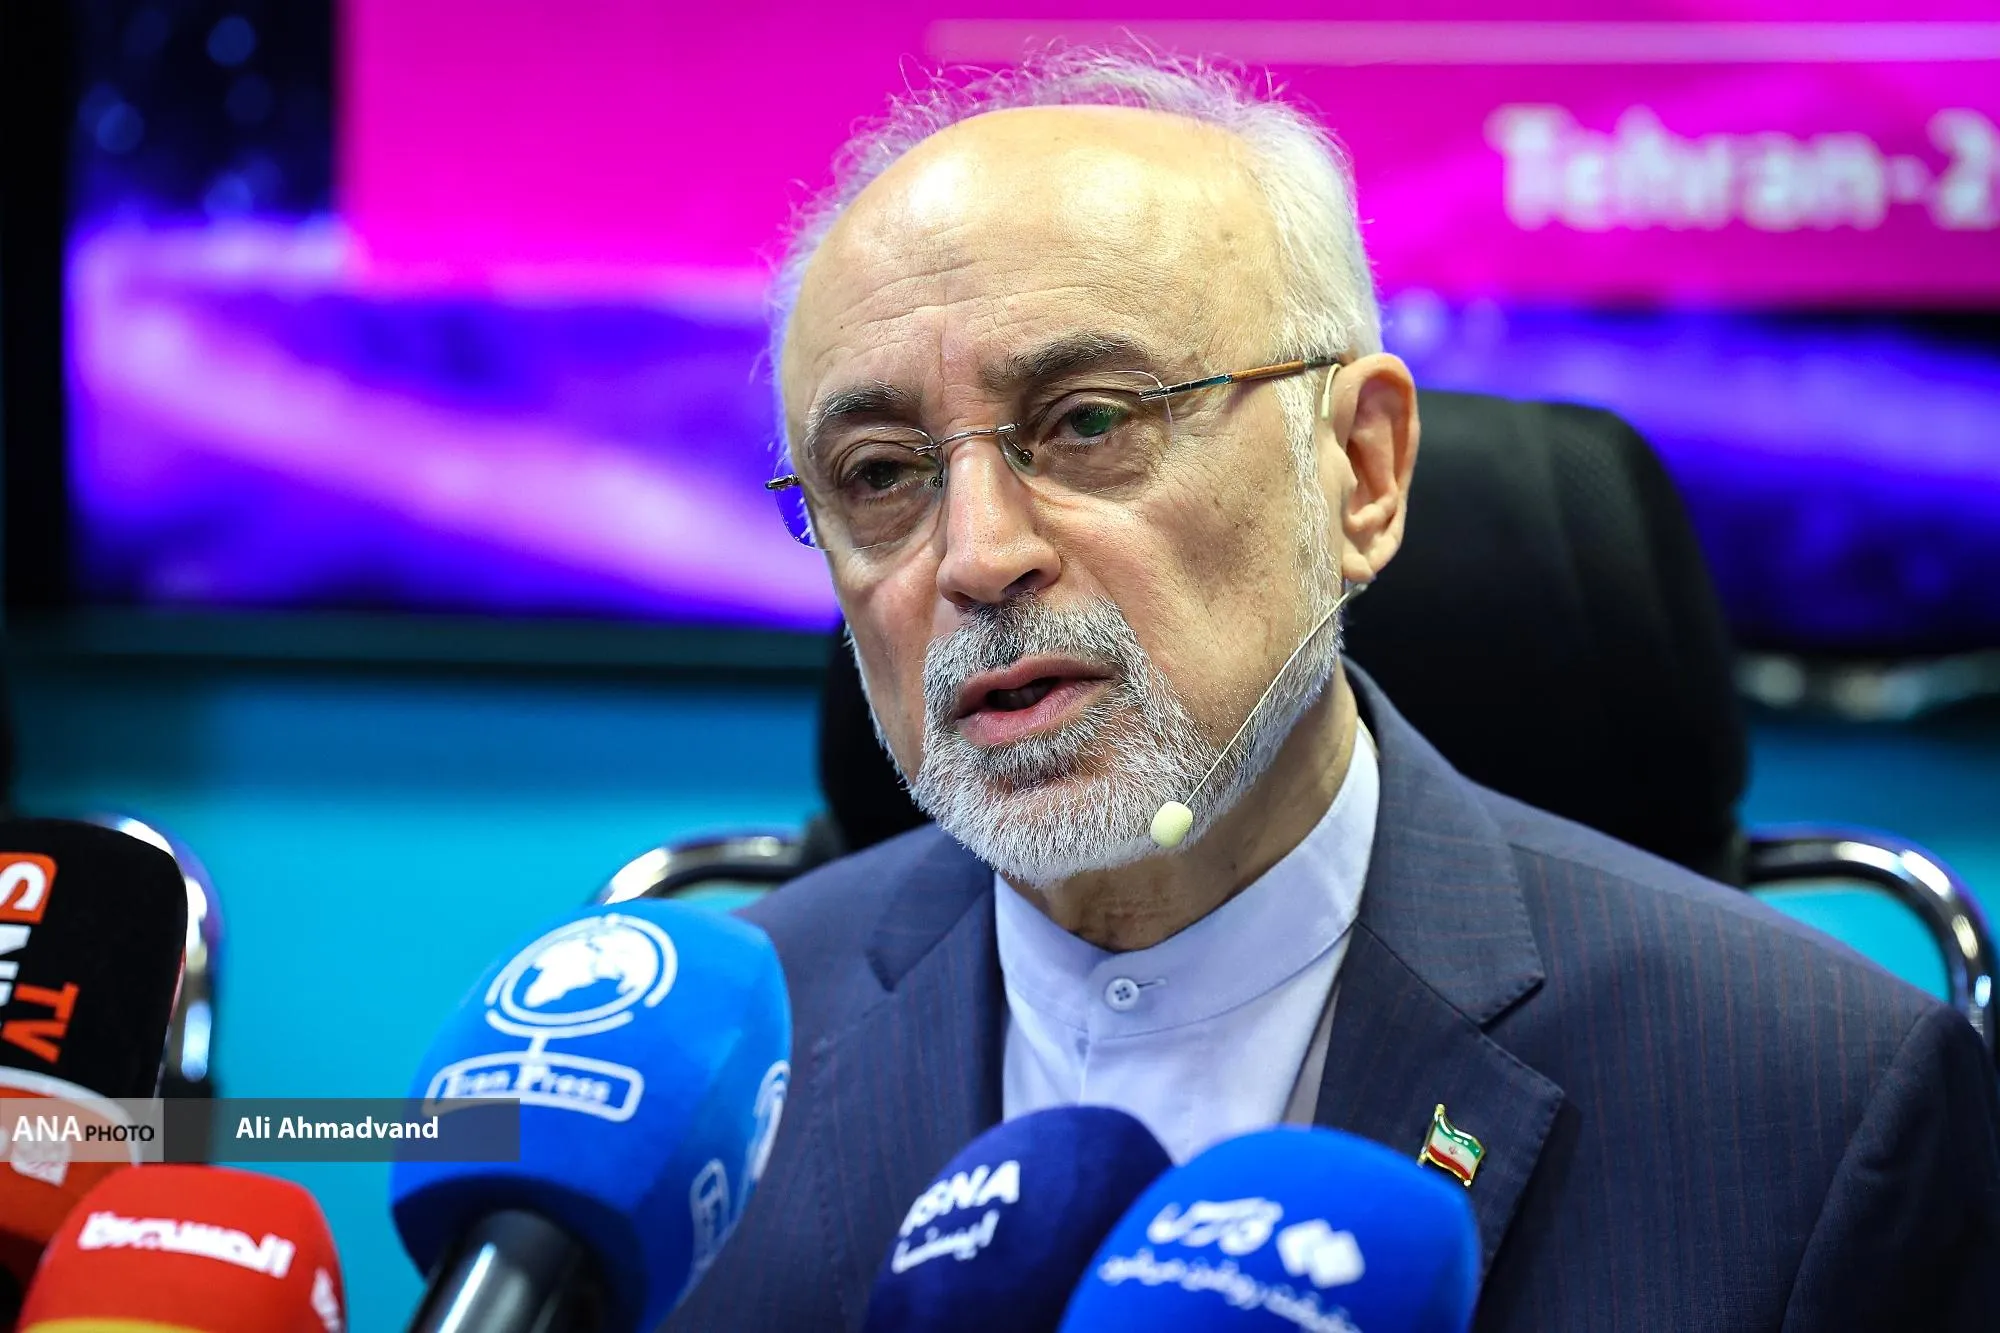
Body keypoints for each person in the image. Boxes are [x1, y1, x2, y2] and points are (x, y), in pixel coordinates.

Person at [664, 49, 2000, 1330]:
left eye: (1090, 422)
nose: (975, 556)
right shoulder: (686, 1091)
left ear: (1360, 470)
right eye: (882, 474)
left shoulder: (1820, 1098)